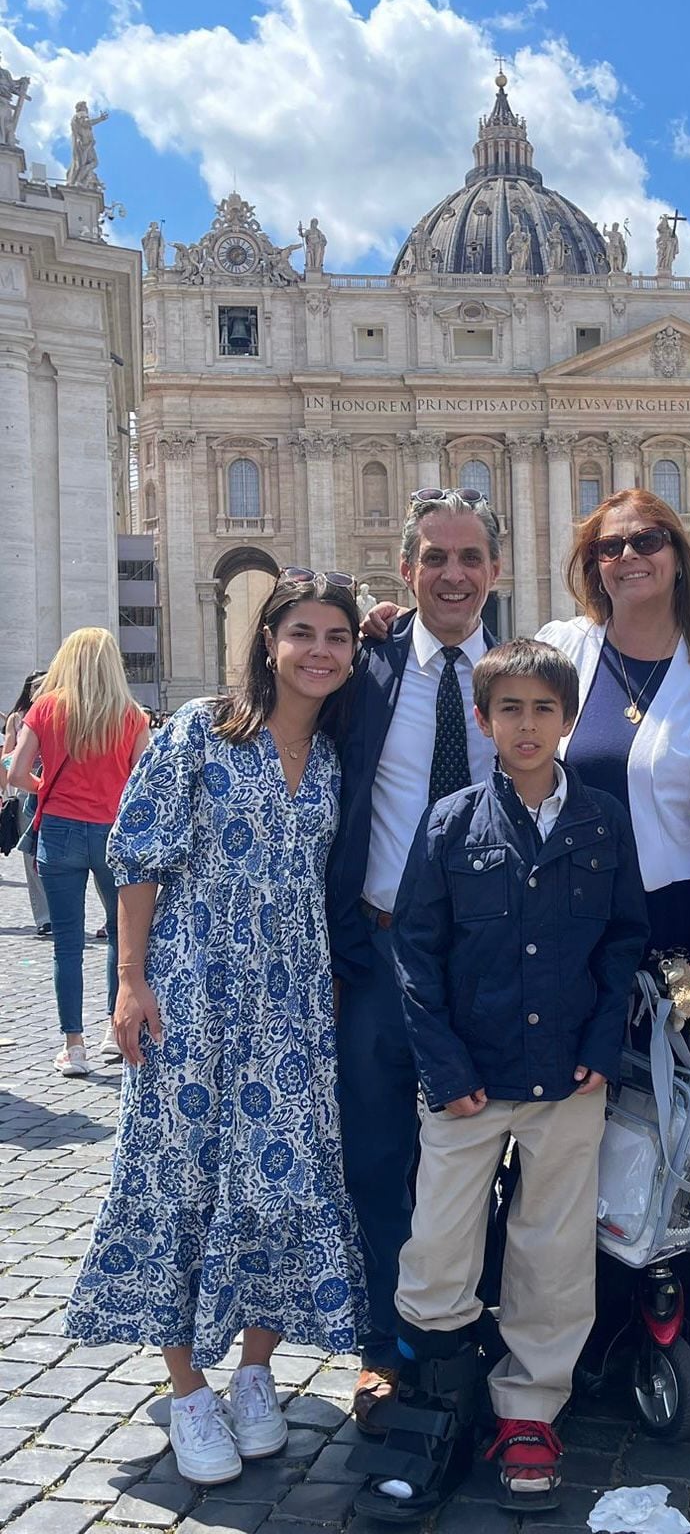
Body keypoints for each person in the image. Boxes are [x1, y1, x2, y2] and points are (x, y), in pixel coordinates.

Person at [63, 573, 367, 1488]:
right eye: (303, 632)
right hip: (193, 987)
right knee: (177, 1174)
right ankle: (186, 1387)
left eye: (339, 638)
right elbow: (138, 854)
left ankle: (255, 1373)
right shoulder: (201, 728)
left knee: (287, 1178)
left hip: (293, 1002)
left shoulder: (338, 759)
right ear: (267, 639)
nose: (321, 651)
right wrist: (127, 982)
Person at [353, 640, 647, 1521]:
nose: (527, 725)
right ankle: (439, 1399)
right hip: (469, 1080)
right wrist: (442, 1068)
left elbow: (621, 941)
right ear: (482, 724)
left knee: (551, 1255)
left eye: (543, 710)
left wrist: (601, 1041)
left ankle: (529, 1410)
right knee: (437, 1244)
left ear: (565, 722)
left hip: (565, 1075)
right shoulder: (447, 823)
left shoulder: (601, 822)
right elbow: (416, 953)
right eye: (509, 710)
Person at [326, 487, 501, 1430]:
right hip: (385, 953)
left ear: (494, 574)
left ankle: (477, 1326)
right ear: (405, 571)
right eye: (434, 557)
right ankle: (386, 1345)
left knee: (494, 1156)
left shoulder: (522, 671)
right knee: (379, 1156)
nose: (452, 574)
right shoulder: (368, 668)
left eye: (469, 557)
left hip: (495, 963)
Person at [539, 488, 690, 959]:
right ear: (596, 568)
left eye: (647, 541)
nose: (628, 556)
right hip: (572, 913)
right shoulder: (562, 647)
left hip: (679, 914)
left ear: (679, 557)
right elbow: (490, 682)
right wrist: (401, 625)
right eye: (609, 547)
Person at [8, 631, 150, 1076]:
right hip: (112, 833)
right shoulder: (130, 714)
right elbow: (143, 785)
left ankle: (74, 1046)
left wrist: (44, 786)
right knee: (118, 934)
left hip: (60, 833)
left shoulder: (46, 707)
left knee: (67, 946)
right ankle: (114, 1029)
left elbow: (14, 773)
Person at [1, 670, 51, 937]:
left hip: (57, 790)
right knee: (31, 853)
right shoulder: (17, 719)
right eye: (38, 687)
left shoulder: (62, 713)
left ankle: (60, 911)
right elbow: (6, 758)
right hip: (26, 790)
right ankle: (45, 917)